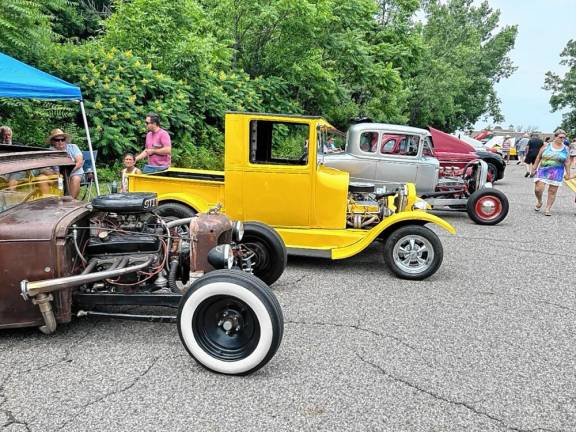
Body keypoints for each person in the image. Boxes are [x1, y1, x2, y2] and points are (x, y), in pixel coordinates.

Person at [532, 128, 573, 216]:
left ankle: (548, 209)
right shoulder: (546, 146)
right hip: (543, 170)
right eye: (560, 137)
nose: (562, 139)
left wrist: (568, 173)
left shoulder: (565, 148)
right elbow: (539, 157)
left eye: (564, 138)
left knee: (552, 191)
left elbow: (567, 161)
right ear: (555, 137)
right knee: (538, 189)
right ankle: (539, 201)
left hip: (557, 172)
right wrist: (534, 168)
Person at [47, 128, 84, 199]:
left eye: (62, 139)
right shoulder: (49, 151)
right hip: (57, 175)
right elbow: (46, 166)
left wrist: (68, 172)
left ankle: (71, 202)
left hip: (75, 172)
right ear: (52, 141)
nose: (60, 142)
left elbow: (79, 162)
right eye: (57, 140)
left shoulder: (73, 147)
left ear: (65, 140)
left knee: (75, 179)